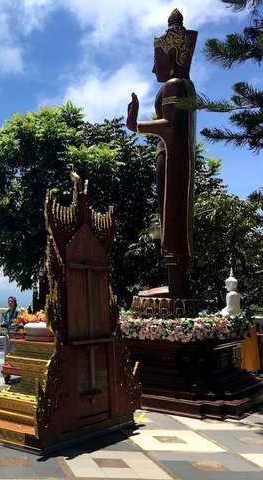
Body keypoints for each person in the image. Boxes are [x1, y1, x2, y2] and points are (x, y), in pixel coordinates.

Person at [126, 8, 197, 299]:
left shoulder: (176, 86)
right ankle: (175, 282)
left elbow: (170, 127)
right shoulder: (180, 87)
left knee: (173, 219)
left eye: (156, 61)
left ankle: (177, 286)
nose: (154, 69)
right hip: (170, 159)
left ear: (171, 58)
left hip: (172, 160)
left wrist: (137, 125)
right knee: (170, 217)